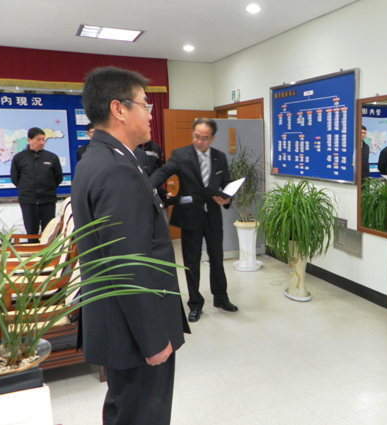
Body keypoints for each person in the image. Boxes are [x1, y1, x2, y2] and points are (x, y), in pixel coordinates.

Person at [71, 66, 190, 425]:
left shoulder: (102, 158)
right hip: (134, 333)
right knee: (143, 414)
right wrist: (152, 340)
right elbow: (128, 263)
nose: (150, 114)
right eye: (144, 105)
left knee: (125, 411)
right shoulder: (116, 169)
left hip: (120, 323)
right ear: (118, 109)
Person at [150, 118, 238, 323]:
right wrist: (146, 185)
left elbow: (226, 183)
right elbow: (163, 172)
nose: (199, 141)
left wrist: (227, 197)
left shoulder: (219, 157)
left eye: (204, 138)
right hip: (190, 216)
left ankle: (221, 298)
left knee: (217, 258)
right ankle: (195, 304)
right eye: (196, 136)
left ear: (212, 138)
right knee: (191, 262)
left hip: (213, 216)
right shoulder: (180, 155)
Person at [10, 127, 63, 240]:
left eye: (43, 139)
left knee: (49, 233)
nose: (42, 142)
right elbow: (15, 179)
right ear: (29, 140)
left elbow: (58, 178)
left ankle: (48, 251)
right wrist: (28, 189)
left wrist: (46, 188)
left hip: (47, 200)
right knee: (31, 233)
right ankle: (33, 250)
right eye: (38, 139)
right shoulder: (19, 158)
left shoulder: (52, 157)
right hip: (28, 201)